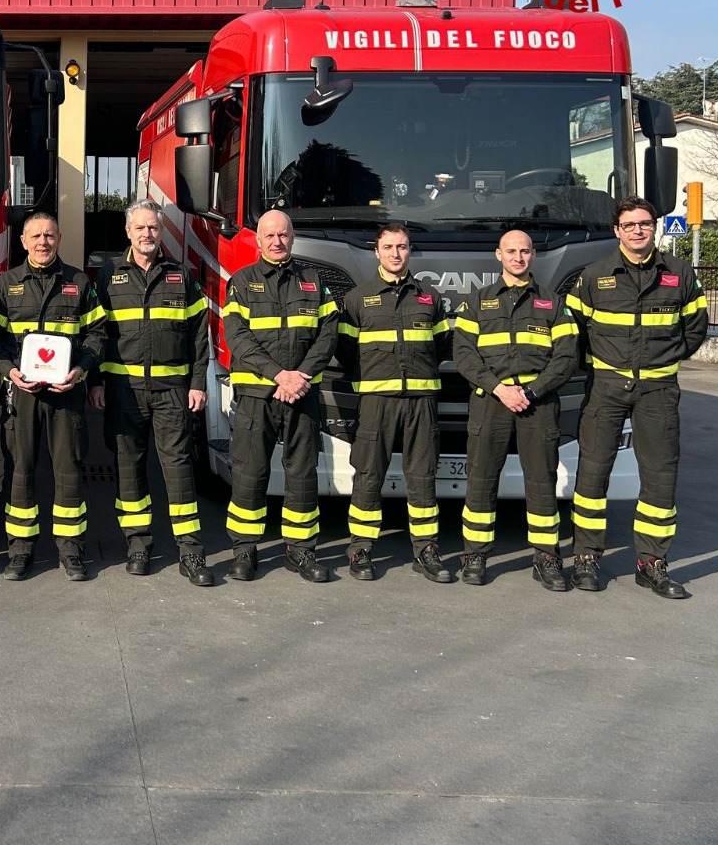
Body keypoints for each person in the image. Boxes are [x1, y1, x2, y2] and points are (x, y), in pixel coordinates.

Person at [565, 197, 708, 598]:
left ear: (654, 227)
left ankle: (652, 563)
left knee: (660, 477)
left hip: (658, 391)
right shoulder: (594, 276)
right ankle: (586, 559)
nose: (637, 231)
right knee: (592, 474)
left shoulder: (679, 273)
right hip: (605, 388)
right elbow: (571, 331)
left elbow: (696, 327)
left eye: (644, 223)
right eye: (629, 225)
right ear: (617, 231)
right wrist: (594, 366)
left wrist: (666, 359)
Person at [90, 200, 214, 585]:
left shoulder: (181, 275)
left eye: (153, 228)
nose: (147, 234)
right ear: (128, 232)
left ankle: (190, 552)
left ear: (161, 232)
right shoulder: (108, 276)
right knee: (129, 469)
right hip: (124, 391)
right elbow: (95, 333)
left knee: (179, 470)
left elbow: (199, 335)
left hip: (171, 393)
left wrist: (198, 382)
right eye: (140, 228)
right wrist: (95, 381)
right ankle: (138, 545)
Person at [0, 212, 106, 582]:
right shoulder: (6, 284)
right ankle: (20, 552)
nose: (42, 242)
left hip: (66, 394)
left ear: (59, 238)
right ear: (23, 241)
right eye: (35, 236)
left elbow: (98, 334)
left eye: (49, 235)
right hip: (22, 394)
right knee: (20, 471)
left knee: (69, 471)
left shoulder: (79, 282)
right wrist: (9, 371)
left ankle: (71, 552)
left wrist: (80, 371)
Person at [452, 229, 579, 590]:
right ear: (499, 255)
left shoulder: (553, 302)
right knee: (481, 478)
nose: (518, 257)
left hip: (537, 402)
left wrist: (532, 390)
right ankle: (475, 555)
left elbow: (567, 356)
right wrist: (499, 388)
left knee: (542, 480)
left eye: (524, 251)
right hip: (491, 401)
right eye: (511, 251)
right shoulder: (477, 302)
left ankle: (547, 557)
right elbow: (463, 353)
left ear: (533, 255)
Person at [220, 209, 339, 583]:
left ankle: (300, 551)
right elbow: (238, 338)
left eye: (283, 235)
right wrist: (279, 375)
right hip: (257, 395)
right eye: (269, 235)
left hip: (302, 392)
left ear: (292, 237)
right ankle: (244, 551)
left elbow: (329, 334)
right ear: (258, 240)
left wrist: (300, 376)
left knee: (302, 473)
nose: (277, 241)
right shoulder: (241, 282)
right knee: (249, 473)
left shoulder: (313, 281)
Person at [337, 223, 455, 583]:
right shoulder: (357, 299)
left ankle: (426, 550)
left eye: (401, 246)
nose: (395, 253)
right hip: (376, 403)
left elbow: (443, 346)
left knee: (423, 476)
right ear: (377, 252)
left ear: (410, 250)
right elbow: (345, 350)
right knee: (368, 475)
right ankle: (360, 549)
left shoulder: (430, 297)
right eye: (388, 247)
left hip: (421, 402)